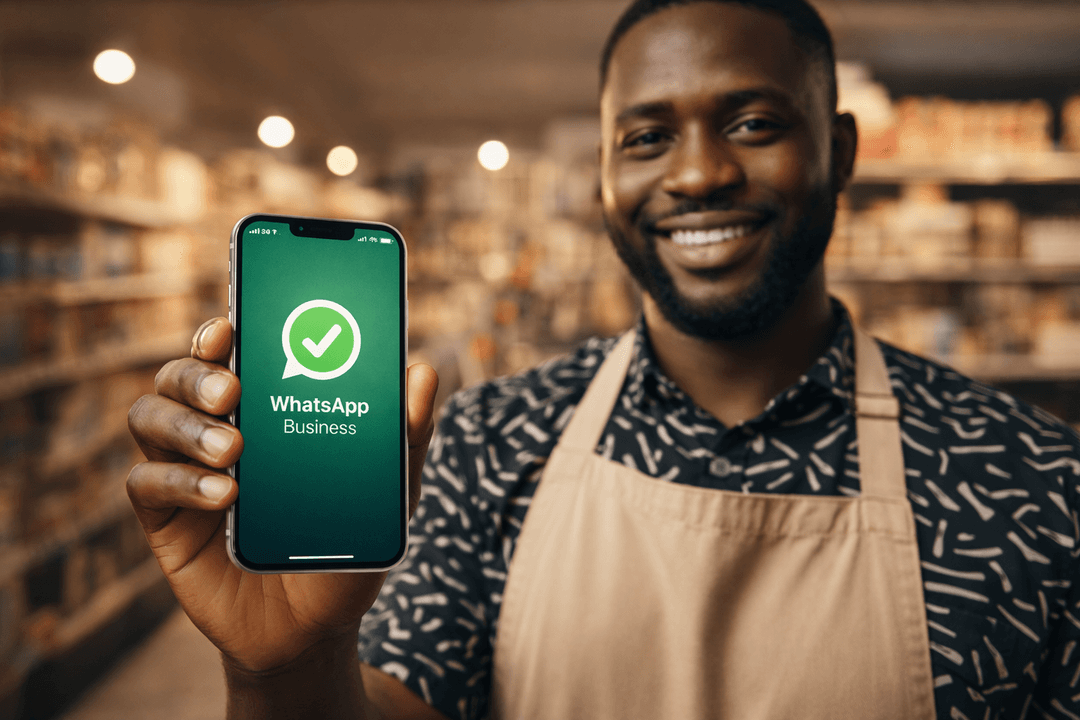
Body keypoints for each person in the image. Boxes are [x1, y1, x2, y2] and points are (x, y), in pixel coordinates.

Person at [126, 0, 1080, 718]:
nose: (698, 172)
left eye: (753, 123)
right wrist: (286, 670)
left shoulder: (1032, 483)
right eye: (647, 136)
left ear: (837, 150)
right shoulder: (492, 438)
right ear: (605, 175)